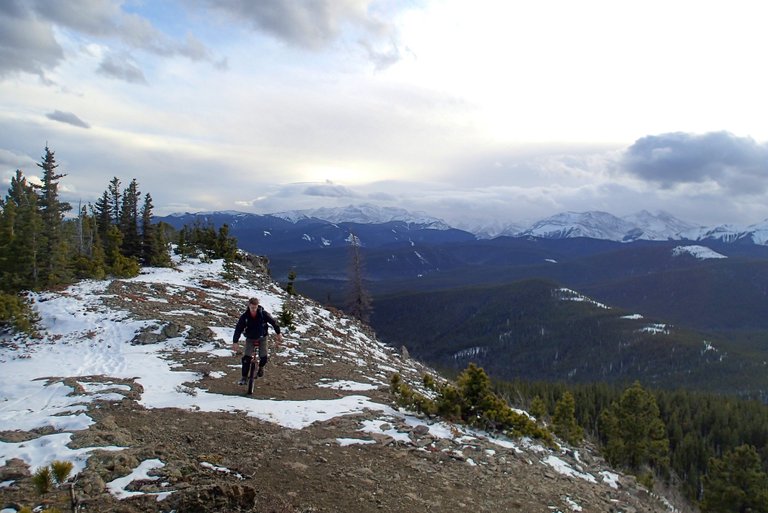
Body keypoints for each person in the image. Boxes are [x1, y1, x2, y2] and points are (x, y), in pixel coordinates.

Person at [232, 297, 283, 385]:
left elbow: (274, 322)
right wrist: (235, 342)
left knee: (264, 357)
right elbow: (239, 328)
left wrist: (278, 333)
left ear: (257, 306)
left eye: (255, 307)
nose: (253, 309)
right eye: (252, 307)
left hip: (262, 337)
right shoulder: (245, 316)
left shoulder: (263, 314)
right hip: (250, 338)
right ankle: (244, 377)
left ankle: (261, 367)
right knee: (246, 358)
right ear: (249, 306)